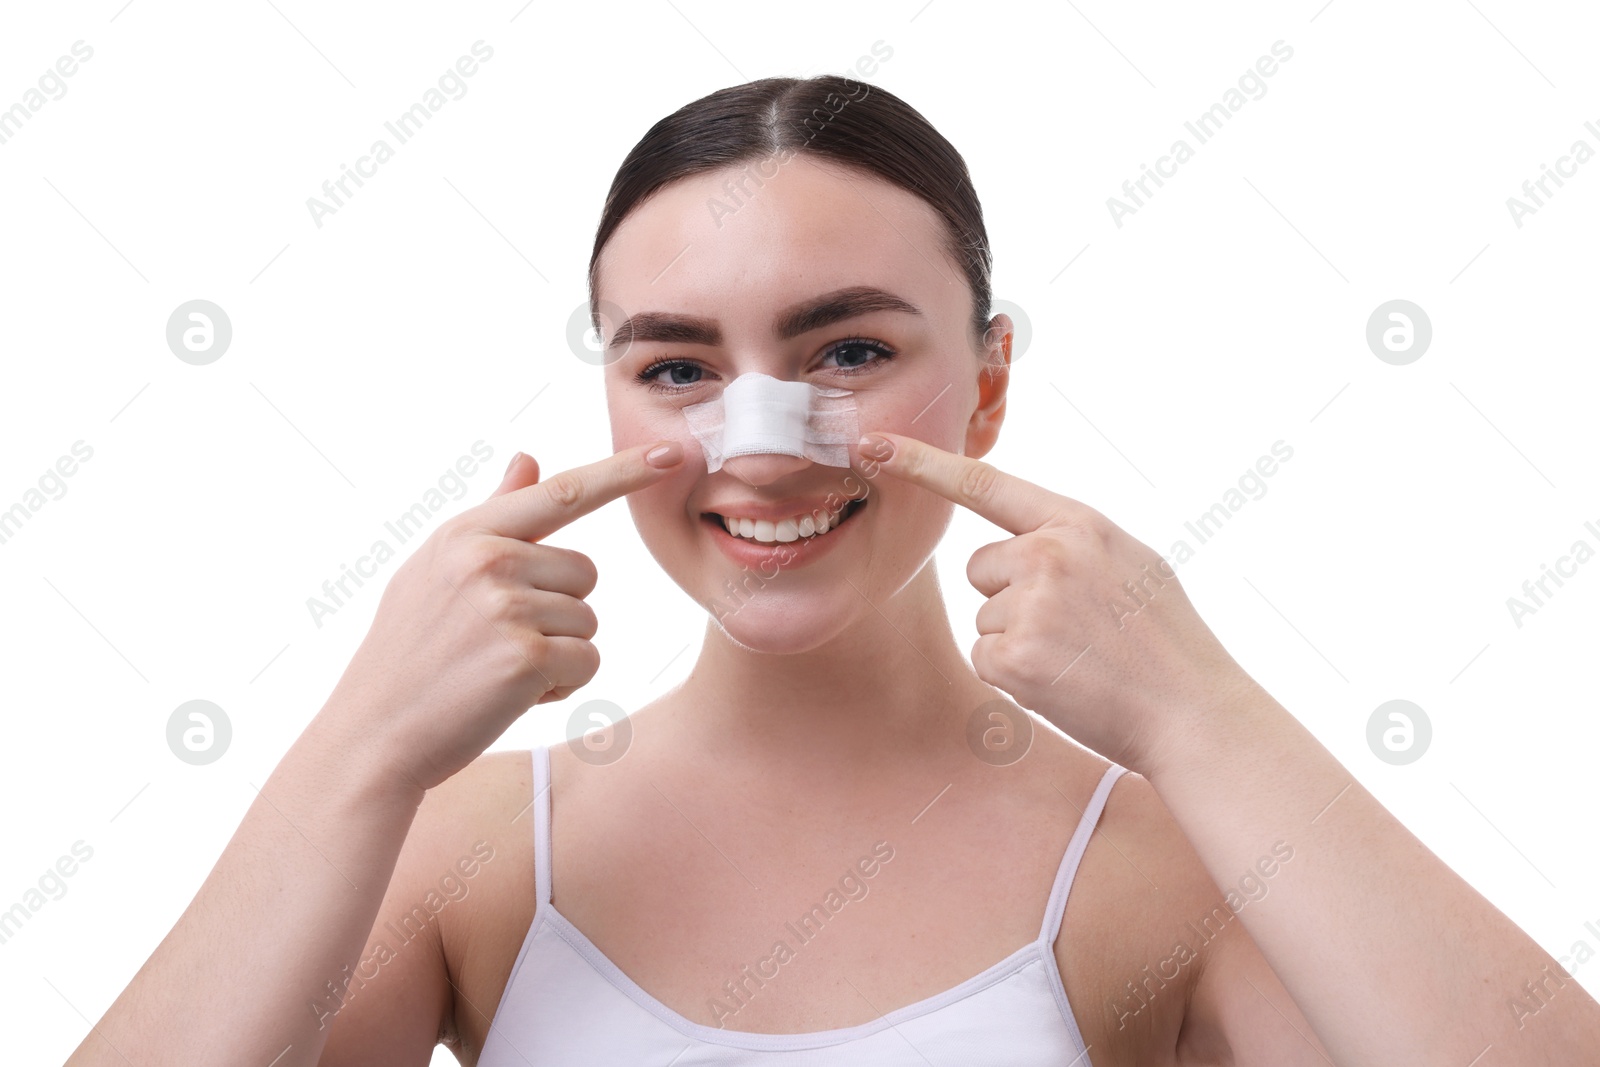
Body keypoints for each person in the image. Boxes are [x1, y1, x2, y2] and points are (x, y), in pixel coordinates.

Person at [69, 75, 1599, 1067]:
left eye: (849, 351)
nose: (764, 448)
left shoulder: (1171, 863)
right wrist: (355, 746)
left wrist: (1202, 709)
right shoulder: (474, 851)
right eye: (677, 367)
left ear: (991, 383)